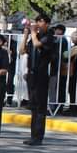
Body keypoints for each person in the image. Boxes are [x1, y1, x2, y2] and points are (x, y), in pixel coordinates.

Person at [20, 14, 55, 145]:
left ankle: (38, 136)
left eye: (40, 22)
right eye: (37, 21)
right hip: (32, 74)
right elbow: (22, 50)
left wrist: (33, 33)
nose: (38, 24)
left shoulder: (49, 37)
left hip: (41, 74)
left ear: (47, 24)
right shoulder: (35, 36)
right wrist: (25, 35)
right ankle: (33, 135)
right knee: (33, 106)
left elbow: (36, 44)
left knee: (40, 107)